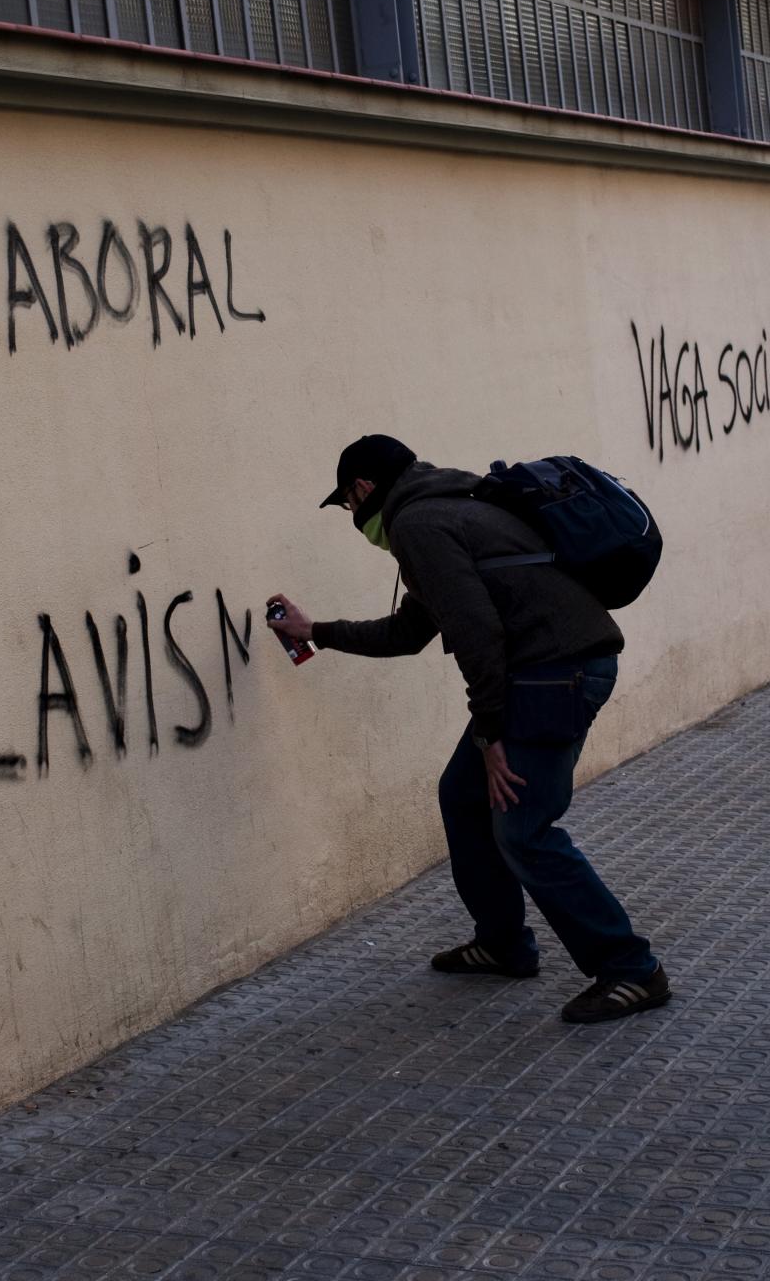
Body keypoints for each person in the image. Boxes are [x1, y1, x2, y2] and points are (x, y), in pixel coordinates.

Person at [267, 435, 669, 1025]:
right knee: (462, 795)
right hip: (549, 672)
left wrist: (490, 736)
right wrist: (317, 630)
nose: (354, 519)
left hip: (553, 676)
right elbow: (410, 633)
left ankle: (632, 970)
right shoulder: (452, 506)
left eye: (350, 506)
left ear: (362, 489)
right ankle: (503, 943)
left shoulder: (421, 526)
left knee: (525, 832)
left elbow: (480, 637)